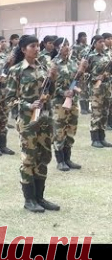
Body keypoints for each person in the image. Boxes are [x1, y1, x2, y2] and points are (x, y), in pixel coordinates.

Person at [5, 35, 60, 213]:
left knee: (43, 157)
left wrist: (52, 79)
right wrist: (28, 105)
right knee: (29, 158)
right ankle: (29, 199)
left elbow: (50, 93)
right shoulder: (16, 71)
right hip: (28, 121)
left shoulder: (44, 67)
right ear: (23, 49)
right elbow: (9, 99)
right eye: (32, 46)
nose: (36, 49)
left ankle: (40, 197)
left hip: (45, 119)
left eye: (38, 45)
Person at [50, 37, 84, 171]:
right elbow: (49, 85)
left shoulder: (73, 63)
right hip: (59, 103)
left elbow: (78, 80)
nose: (67, 47)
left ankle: (68, 159)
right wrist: (62, 93)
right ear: (57, 48)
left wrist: (82, 71)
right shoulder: (53, 64)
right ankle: (60, 161)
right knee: (59, 131)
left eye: (68, 45)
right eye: (64, 45)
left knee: (71, 130)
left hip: (73, 102)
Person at [86, 35, 112, 148]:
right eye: (100, 42)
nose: (102, 43)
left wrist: (108, 75)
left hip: (107, 88)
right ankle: (95, 139)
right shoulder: (90, 57)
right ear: (94, 44)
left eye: (103, 41)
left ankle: (102, 137)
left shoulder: (107, 56)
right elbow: (84, 74)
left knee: (105, 113)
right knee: (96, 113)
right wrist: (95, 78)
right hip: (96, 89)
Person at [72, 32, 90, 115]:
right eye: (83, 37)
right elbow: (73, 58)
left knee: (87, 90)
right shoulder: (76, 47)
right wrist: (80, 63)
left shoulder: (88, 47)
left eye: (86, 36)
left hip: (87, 70)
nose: (85, 38)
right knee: (82, 89)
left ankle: (87, 107)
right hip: (80, 69)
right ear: (79, 38)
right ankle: (83, 108)